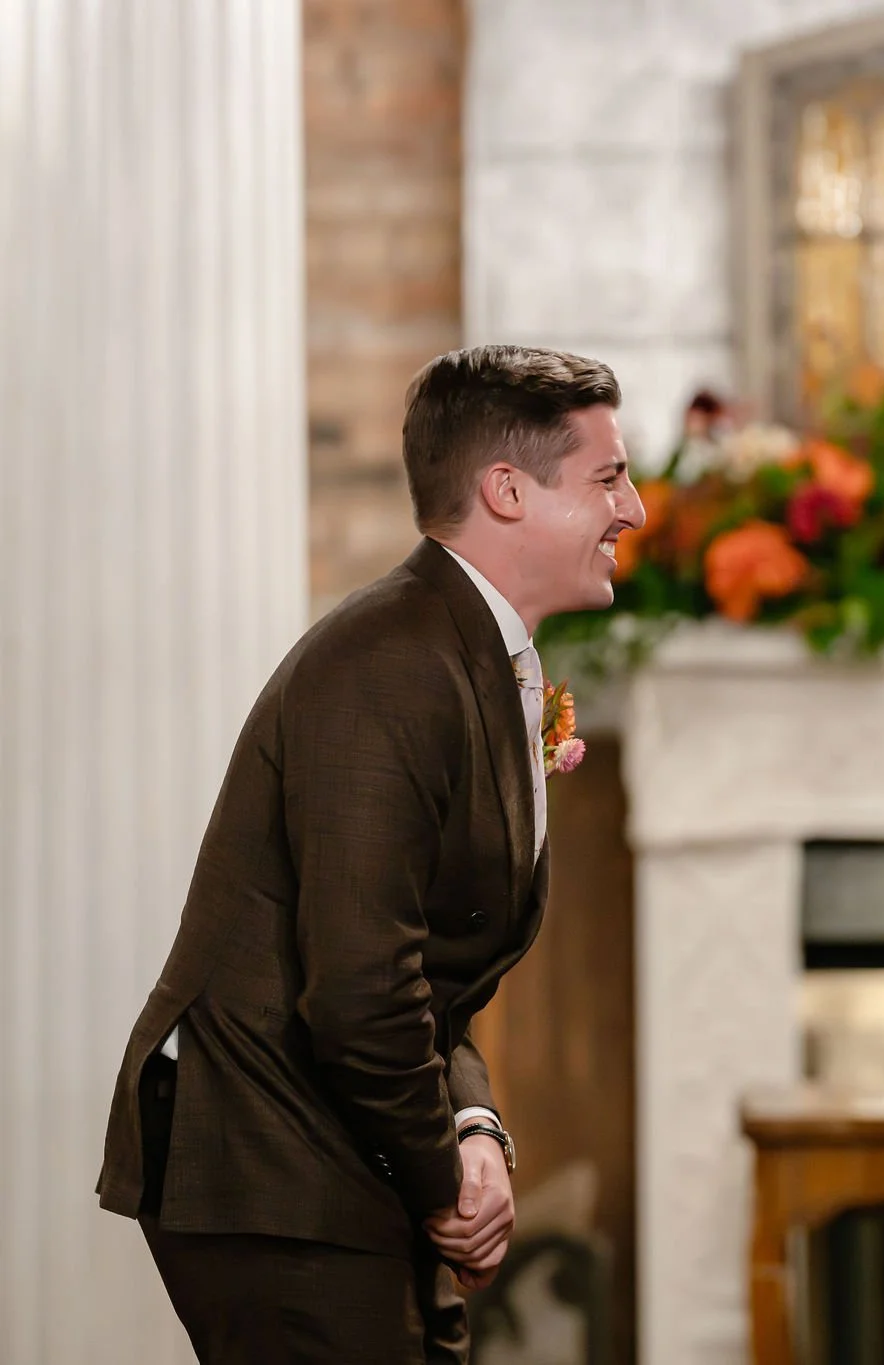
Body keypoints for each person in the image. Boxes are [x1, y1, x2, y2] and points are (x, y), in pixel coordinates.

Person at [96, 345, 646, 1362]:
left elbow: (434, 977)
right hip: (265, 1158)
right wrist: (445, 1184)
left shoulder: (475, 656)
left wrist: (477, 1133)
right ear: (508, 491)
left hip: (337, 1144)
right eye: (609, 478)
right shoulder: (391, 663)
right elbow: (356, 992)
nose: (635, 510)